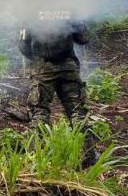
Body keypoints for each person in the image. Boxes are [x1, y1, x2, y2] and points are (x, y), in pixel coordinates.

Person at [19, 11, 98, 165]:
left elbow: (23, 45)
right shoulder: (67, 10)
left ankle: (33, 158)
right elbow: (84, 38)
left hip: (43, 69)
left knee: (40, 111)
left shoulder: (30, 9)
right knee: (77, 112)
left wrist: (39, 58)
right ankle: (88, 156)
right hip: (68, 68)